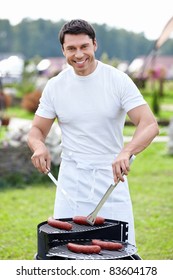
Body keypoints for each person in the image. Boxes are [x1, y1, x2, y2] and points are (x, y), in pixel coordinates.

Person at [27, 19, 159, 246]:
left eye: (84, 46)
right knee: (65, 252)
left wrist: (126, 152)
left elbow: (149, 124)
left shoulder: (117, 80)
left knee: (118, 251)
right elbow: (37, 130)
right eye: (71, 48)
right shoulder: (55, 86)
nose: (78, 54)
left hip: (110, 181)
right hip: (71, 182)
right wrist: (38, 146)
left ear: (95, 45)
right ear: (63, 50)